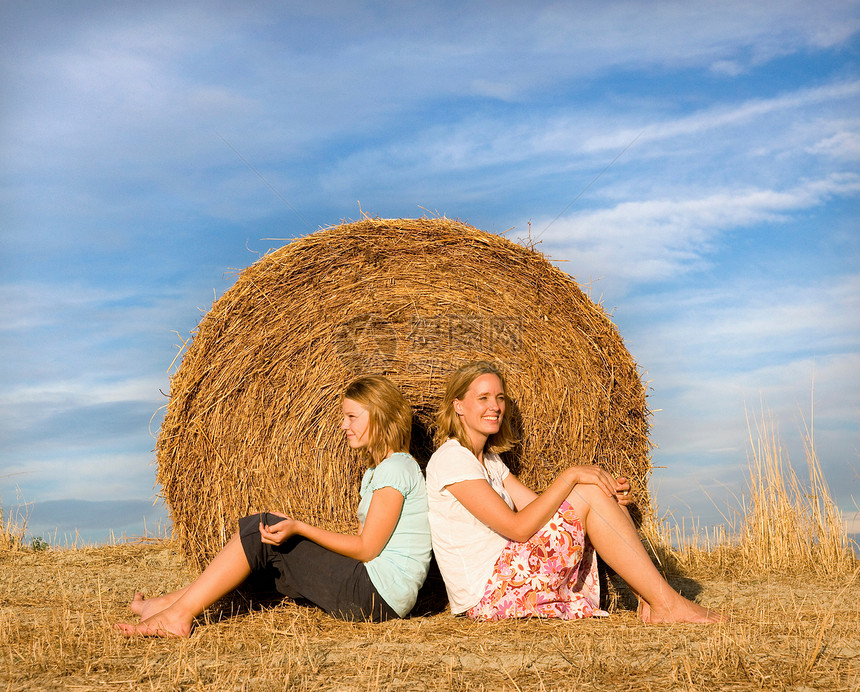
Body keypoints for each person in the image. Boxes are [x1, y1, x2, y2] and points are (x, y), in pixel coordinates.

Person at [116, 375, 432, 637]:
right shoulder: (378, 472)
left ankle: (177, 616)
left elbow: (366, 549)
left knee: (260, 529)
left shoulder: (397, 468)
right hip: (377, 593)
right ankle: (168, 605)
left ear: (379, 414)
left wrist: (299, 527)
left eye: (351, 416)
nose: (342, 425)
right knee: (265, 538)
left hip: (376, 596)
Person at [426, 361, 721, 623]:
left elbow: (539, 507)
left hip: (510, 574)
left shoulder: (490, 460)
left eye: (500, 398)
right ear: (459, 406)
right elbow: (517, 528)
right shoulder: (452, 459)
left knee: (594, 491)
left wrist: (608, 498)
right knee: (585, 490)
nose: (495, 406)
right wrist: (570, 476)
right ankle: (666, 603)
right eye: (483, 398)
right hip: (489, 592)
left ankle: (651, 599)